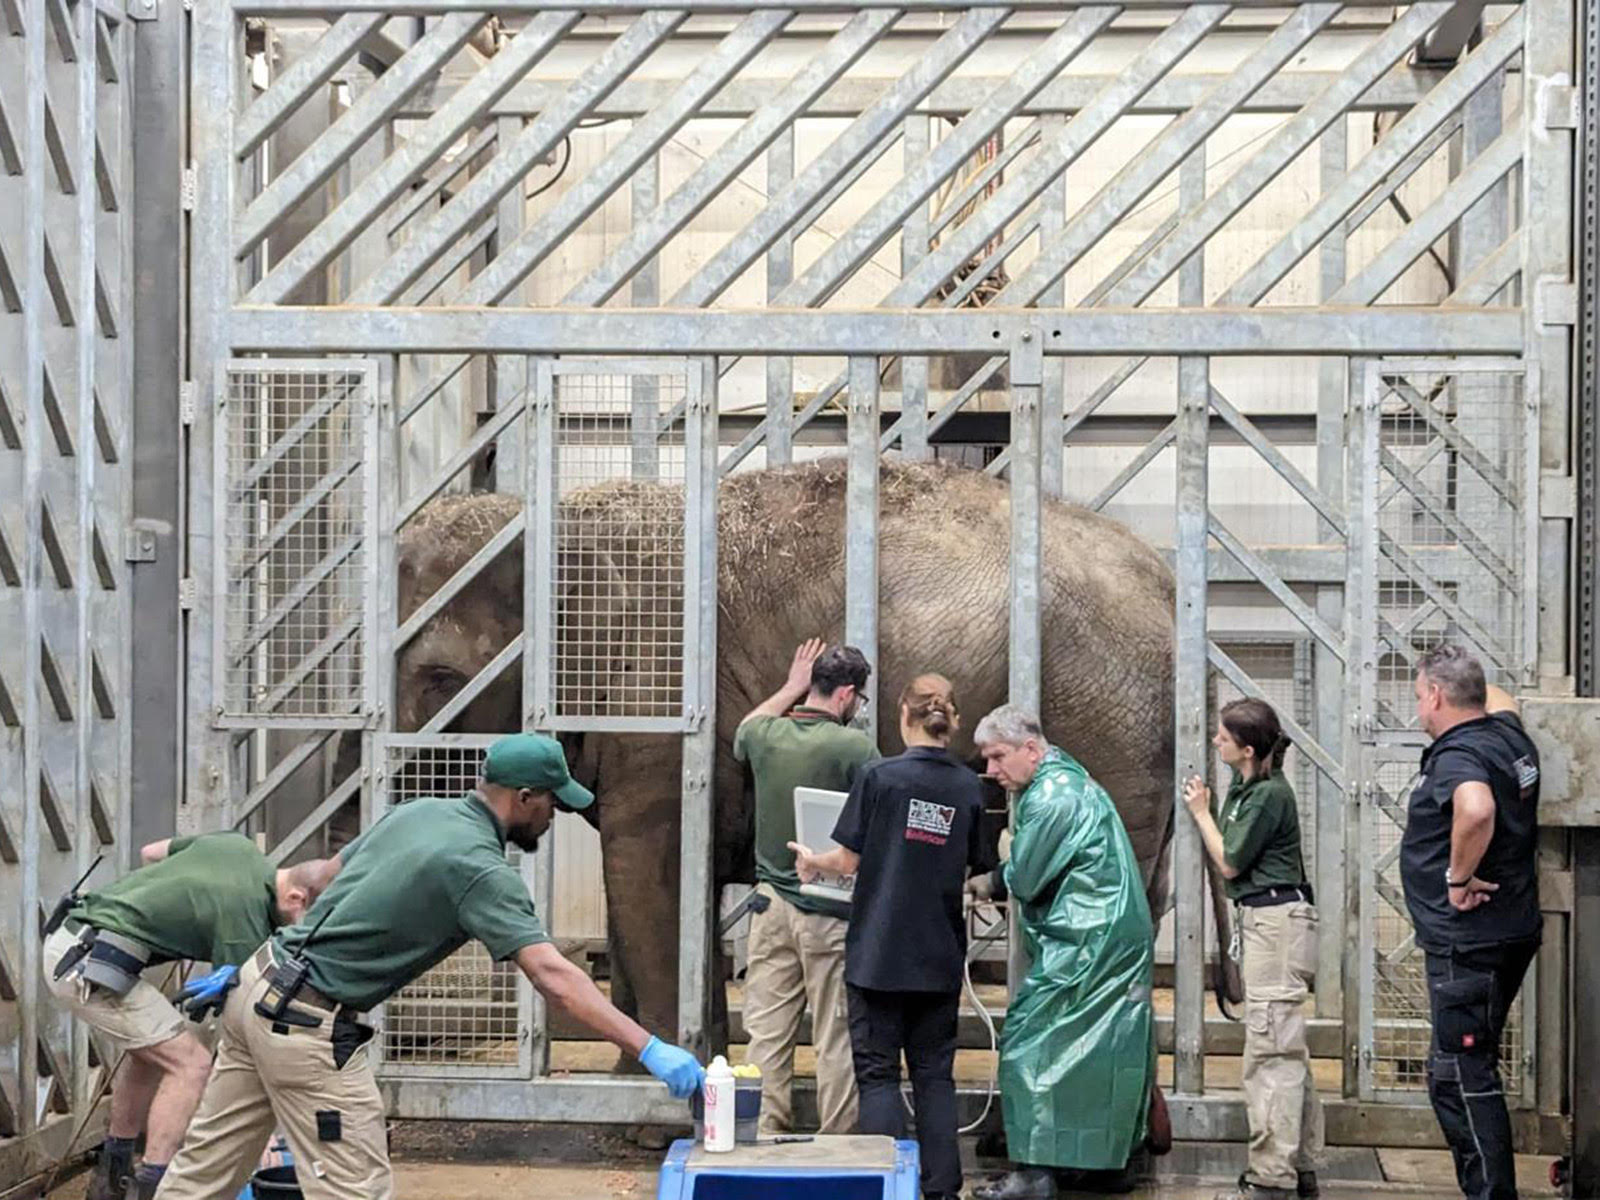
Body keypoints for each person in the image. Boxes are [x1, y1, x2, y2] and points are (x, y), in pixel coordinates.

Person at [154, 733, 704, 1200]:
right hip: (307, 1024)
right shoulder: (481, 871)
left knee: (200, 1176)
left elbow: (317, 878)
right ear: (525, 797)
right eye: (552, 804)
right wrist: (648, 1047)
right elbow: (554, 978)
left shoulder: (419, 810)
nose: (554, 816)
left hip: (257, 982)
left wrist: (265, 951)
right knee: (354, 1189)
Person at [41, 834, 339, 1200]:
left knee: (150, 1051)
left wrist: (174, 913)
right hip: (85, 963)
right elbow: (243, 1029)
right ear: (296, 898)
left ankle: (113, 1175)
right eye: (307, 922)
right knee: (191, 1064)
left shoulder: (237, 846)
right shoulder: (244, 916)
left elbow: (150, 851)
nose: (302, 936)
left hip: (84, 938)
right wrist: (254, 1132)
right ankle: (156, 1185)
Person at [789, 674, 984, 1200]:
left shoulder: (879, 777)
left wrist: (812, 862)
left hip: (877, 953)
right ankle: (942, 1189)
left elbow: (847, 861)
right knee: (934, 1076)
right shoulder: (970, 786)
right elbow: (975, 866)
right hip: (938, 956)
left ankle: (887, 1185)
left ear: (903, 716)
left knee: (877, 1076)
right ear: (954, 721)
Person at [966, 706, 1155, 1200]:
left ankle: (1034, 1173)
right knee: (1107, 1051)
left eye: (997, 757)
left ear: (1030, 748)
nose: (990, 770)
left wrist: (990, 875)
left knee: (1030, 1043)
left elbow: (1026, 877)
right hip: (1110, 936)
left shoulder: (1051, 796)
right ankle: (1105, 1164)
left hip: (1086, 941)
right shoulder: (1071, 781)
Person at [1401, 644, 1540, 1200]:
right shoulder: (1509, 736)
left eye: (1418, 696)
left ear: (1435, 696)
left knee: (1462, 1075)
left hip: (1469, 943)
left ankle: (1490, 1194)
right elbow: (1498, 698)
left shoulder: (1459, 756)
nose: (1417, 709)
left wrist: (1458, 878)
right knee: (1455, 1068)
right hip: (1509, 931)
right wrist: (1467, 678)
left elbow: (1476, 809)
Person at [734, 638, 877, 1135]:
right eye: (858, 698)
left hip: (769, 907)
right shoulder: (854, 746)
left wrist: (789, 688)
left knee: (766, 1034)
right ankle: (838, 1144)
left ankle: (764, 1133)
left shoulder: (767, 735)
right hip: (829, 908)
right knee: (835, 1035)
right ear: (846, 695)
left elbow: (744, 729)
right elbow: (876, 811)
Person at [1183, 699, 1323, 1200]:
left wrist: (1201, 813)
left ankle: (1272, 1178)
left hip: (1276, 923)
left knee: (1270, 1053)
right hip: (1269, 922)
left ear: (1245, 749)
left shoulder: (1267, 797)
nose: (1214, 743)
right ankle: (1297, 1166)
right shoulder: (1250, 787)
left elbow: (1231, 862)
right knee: (1285, 1051)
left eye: (1222, 738)